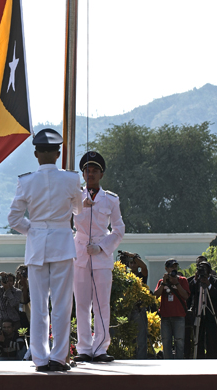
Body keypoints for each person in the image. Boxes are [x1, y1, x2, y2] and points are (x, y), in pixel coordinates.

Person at [8, 128, 82, 372]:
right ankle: (59, 358)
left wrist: (35, 230)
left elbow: (14, 218)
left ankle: (40, 358)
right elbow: (78, 210)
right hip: (62, 243)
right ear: (58, 153)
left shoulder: (26, 181)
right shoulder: (71, 179)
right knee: (62, 305)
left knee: (39, 306)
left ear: (36, 154)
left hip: (37, 245)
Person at [72, 151, 125, 363]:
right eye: (87, 170)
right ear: (83, 174)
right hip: (81, 255)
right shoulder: (75, 197)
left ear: (101, 174)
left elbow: (119, 229)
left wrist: (103, 246)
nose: (90, 174)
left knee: (102, 303)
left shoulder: (111, 199)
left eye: (94, 170)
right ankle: (84, 347)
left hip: (101, 257)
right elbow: (64, 220)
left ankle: (101, 348)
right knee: (82, 304)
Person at [154, 259, 190, 359]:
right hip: (165, 316)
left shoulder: (182, 280)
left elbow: (186, 296)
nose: (174, 269)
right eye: (171, 267)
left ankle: (178, 362)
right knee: (166, 341)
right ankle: (167, 362)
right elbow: (156, 295)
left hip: (179, 316)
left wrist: (177, 283)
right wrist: (164, 283)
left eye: (175, 266)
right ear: (166, 268)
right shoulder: (162, 281)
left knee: (179, 341)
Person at [189, 261, 217, 358]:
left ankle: (211, 359)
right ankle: (199, 358)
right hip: (198, 313)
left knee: (211, 340)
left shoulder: (216, 281)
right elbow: (190, 292)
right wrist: (195, 280)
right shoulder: (196, 281)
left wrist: (209, 284)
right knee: (198, 339)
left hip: (211, 313)